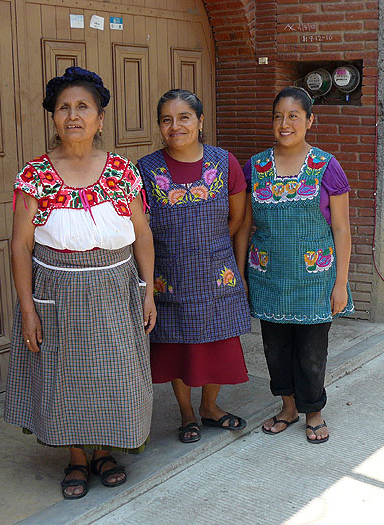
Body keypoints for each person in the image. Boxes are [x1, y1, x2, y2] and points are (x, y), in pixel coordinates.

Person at [4, 66, 156, 499]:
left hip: (116, 290)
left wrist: (148, 291)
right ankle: (75, 457)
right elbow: (19, 246)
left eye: (83, 107)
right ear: (53, 117)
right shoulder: (35, 175)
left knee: (114, 373)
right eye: (63, 107)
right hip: (57, 293)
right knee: (64, 376)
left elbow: (142, 234)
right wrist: (28, 308)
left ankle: (106, 450)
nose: (73, 115)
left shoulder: (123, 172)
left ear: (100, 118)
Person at [240, 86, 354, 444]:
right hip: (269, 276)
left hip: (315, 279)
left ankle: (314, 411)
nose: (284, 123)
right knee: (275, 350)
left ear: (309, 120)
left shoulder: (326, 166)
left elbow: (341, 228)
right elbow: (244, 225)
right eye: (278, 116)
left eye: (293, 116)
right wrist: (242, 275)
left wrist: (341, 283)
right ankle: (288, 408)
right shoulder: (255, 166)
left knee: (311, 351)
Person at [138, 89, 251, 444]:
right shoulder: (146, 169)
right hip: (168, 276)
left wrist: (215, 253)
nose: (176, 126)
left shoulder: (224, 162)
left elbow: (238, 218)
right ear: (159, 126)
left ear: (200, 121)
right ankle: (187, 412)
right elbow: (139, 226)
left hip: (216, 271)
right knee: (178, 347)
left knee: (216, 343)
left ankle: (211, 407)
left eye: (184, 117)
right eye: (167, 120)